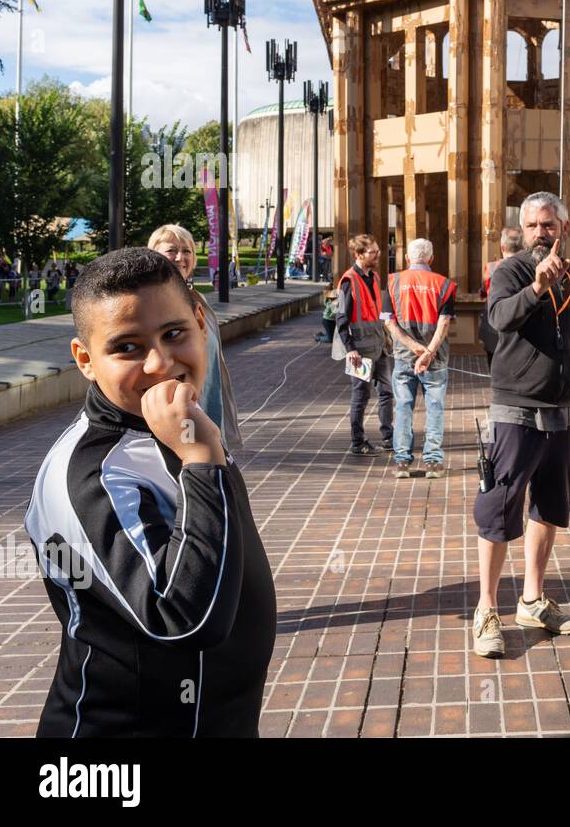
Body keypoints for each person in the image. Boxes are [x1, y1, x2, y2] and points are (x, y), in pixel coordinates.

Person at [24, 247, 276, 736]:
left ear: (201, 323)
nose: (161, 363)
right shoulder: (92, 476)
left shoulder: (172, 427)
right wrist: (202, 460)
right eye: (127, 347)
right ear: (86, 360)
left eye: (174, 333)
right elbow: (183, 619)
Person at [471, 192, 570, 658]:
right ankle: (487, 608)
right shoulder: (509, 273)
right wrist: (535, 288)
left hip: (562, 416)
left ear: (563, 229)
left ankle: (531, 599)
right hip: (515, 413)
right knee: (498, 510)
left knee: (548, 510)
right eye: (531, 226)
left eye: (547, 225)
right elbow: (498, 319)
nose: (538, 233)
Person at [149, 224, 243, 452]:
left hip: (208, 403)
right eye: (171, 250)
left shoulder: (196, 300)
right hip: (179, 411)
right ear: (154, 253)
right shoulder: (152, 301)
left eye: (187, 250)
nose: (180, 257)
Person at [383, 238, 457, 479]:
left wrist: (415, 349)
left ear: (407, 258)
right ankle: (433, 462)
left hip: (404, 356)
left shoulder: (393, 282)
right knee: (435, 407)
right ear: (431, 259)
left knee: (403, 406)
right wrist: (428, 352)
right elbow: (444, 323)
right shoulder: (444, 285)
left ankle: (402, 461)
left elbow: (389, 323)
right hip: (436, 358)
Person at [333, 234, 394, 456]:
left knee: (387, 391)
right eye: (372, 252)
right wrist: (351, 349)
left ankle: (388, 436)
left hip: (380, 346)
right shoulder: (349, 281)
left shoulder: (375, 278)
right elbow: (341, 319)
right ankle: (357, 442)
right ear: (358, 255)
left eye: (378, 250)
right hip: (360, 350)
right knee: (361, 396)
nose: (377, 255)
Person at [479, 227, 524, 367]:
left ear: (502, 247)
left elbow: (483, 292)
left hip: (494, 324)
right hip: (519, 325)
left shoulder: (491, 267)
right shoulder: (529, 268)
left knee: (494, 363)